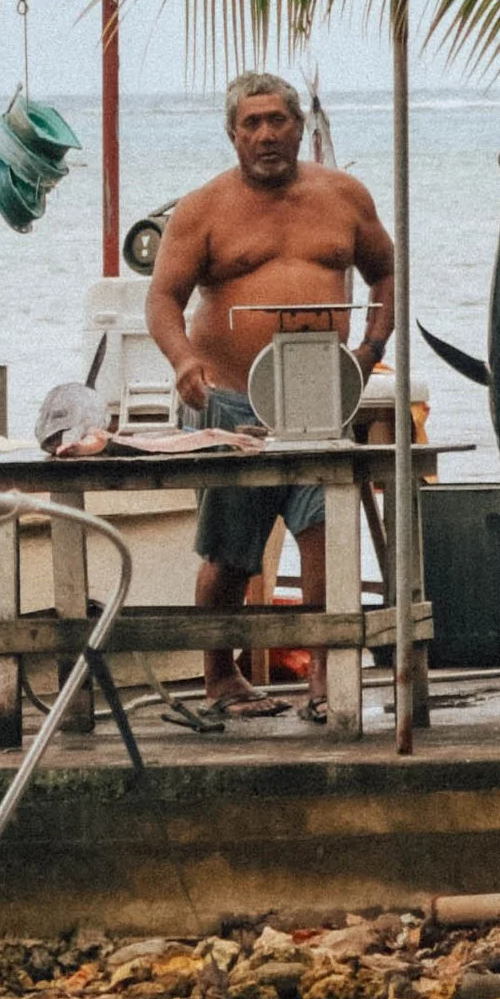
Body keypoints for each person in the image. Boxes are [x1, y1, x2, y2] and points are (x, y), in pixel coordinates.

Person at [145, 74, 396, 718]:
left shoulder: (343, 196)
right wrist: (182, 359)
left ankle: (322, 679)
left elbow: (385, 271)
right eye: (251, 123)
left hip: (320, 398)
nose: (265, 135)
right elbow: (163, 298)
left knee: (321, 531)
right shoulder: (202, 209)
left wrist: (369, 348)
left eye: (277, 121)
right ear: (233, 134)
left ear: (299, 127)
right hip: (229, 398)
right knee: (232, 549)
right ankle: (220, 677)